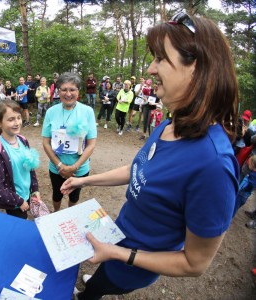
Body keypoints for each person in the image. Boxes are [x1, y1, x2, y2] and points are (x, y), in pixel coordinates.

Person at [62, 11, 240, 299]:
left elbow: (195, 263)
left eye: (160, 58)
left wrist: (121, 254)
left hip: (131, 265)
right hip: (117, 239)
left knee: (97, 288)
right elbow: (138, 168)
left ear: (196, 68)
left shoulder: (213, 166)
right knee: (101, 274)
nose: (149, 69)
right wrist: (85, 181)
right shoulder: (170, 124)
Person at [42, 72, 97, 212]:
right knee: (57, 194)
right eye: (64, 89)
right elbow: (46, 142)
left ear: (78, 91)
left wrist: (74, 167)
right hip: (56, 168)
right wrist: (60, 165)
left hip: (79, 168)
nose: (68, 94)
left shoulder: (87, 111)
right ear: (58, 91)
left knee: (74, 196)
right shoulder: (51, 112)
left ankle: (69, 214)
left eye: (72, 89)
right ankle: (56, 213)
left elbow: (91, 144)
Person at [0, 100, 41, 219]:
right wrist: (19, 201)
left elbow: (30, 166)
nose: (17, 123)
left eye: (18, 117)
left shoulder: (23, 140)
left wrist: (35, 189)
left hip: (27, 194)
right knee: (20, 225)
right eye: (11, 119)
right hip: (14, 202)